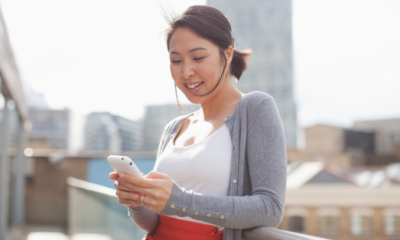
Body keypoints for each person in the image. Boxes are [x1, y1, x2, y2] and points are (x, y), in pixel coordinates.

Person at [109, 5, 287, 240]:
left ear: (228, 53)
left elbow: (270, 208)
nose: (186, 72)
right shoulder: (174, 128)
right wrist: (137, 201)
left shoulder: (255, 108)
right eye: (176, 60)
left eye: (198, 57)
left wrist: (179, 200)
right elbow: (154, 225)